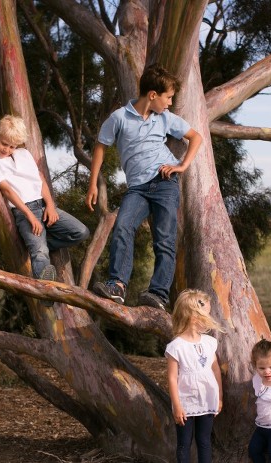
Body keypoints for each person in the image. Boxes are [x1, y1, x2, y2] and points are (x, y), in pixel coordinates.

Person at [86, 64, 202, 310]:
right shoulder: (119, 118)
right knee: (123, 226)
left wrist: (181, 165)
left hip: (164, 183)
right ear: (152, 95)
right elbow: (100, 147)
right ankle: (117, 286)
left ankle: (158, 294)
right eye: (168, 97)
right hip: (137, 188)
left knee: (164, 240)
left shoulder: (165, 118)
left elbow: (196, 137)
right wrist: (93, 183)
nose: (170, 103)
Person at [0, 115, 89, 287]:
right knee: (40, 252)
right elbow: (7, 190)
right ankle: (46, 288)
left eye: (12, 146)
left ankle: (38, 244)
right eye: (4, 144)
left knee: (81, 232)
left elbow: (39, 178)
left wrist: (50, 205)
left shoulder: (24, 154)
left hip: (43, 205)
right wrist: (30, 216)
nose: (7, 149)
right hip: (24, 211)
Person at [165, 289, 223, 463]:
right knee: (184, 441)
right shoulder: (176, 346)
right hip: (186, 402)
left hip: (207, 399)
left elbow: (215, 369)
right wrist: (177, 405)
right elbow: (172, 378)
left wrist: (220, 396)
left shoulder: (209, 342)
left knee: (204, 439)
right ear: (193, 316)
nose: (210, 318)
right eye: (206, 314)